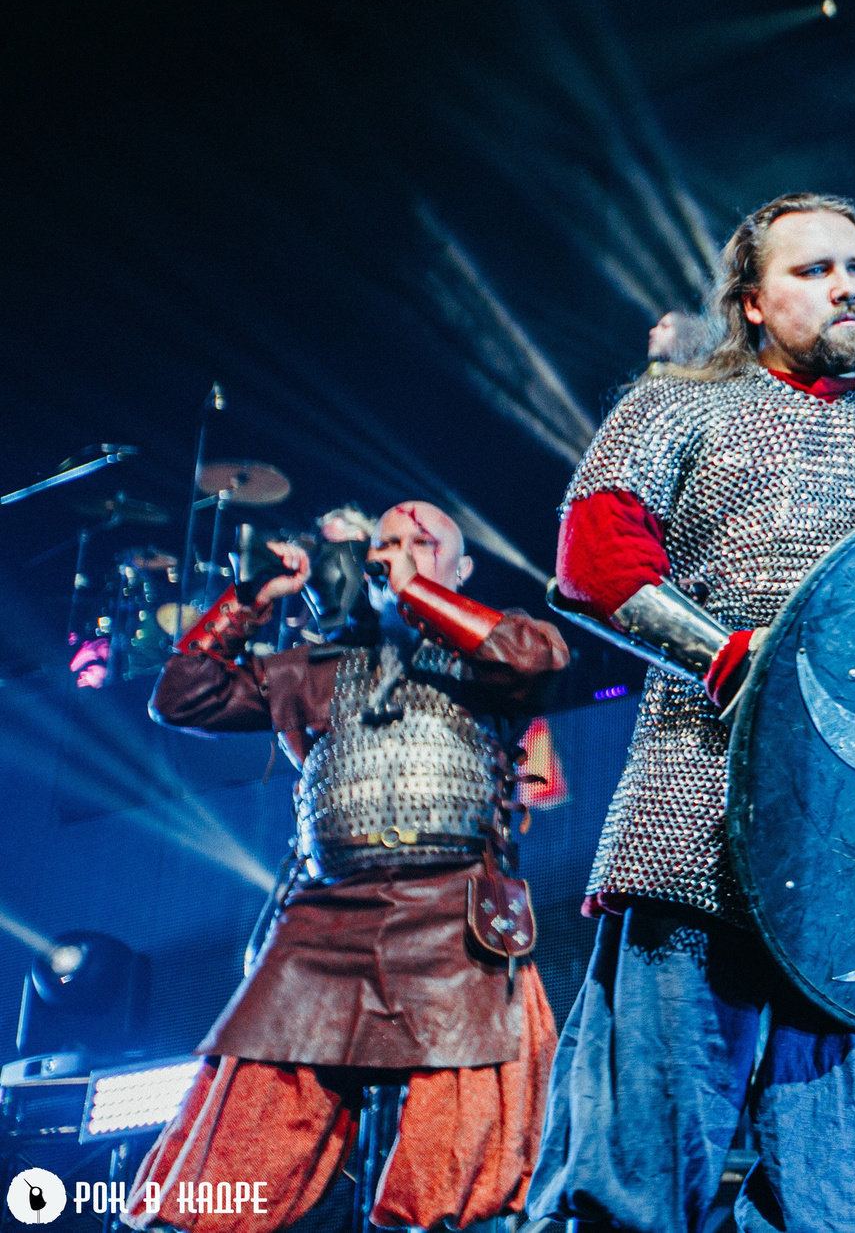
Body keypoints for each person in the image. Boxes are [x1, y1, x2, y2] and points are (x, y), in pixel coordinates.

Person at [530, 192, 855, 1233]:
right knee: (636, 1180)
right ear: (749, 302)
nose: (843, 287)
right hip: (698, 813)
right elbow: (594, 560)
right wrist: (730, 654)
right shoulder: (675, 410)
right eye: (809, 271)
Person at [129, 501, 568, 1233]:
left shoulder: (494, 648)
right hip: (326, 916)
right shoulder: (315, 668)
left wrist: (416, 597)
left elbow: (537, 661)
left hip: (456, 914)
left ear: (460, 570)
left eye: (421, 545)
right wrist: (251, 597)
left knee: (458, 1177)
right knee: (227, 1154)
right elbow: (184, 696)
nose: (395, 555)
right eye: (385, 545)